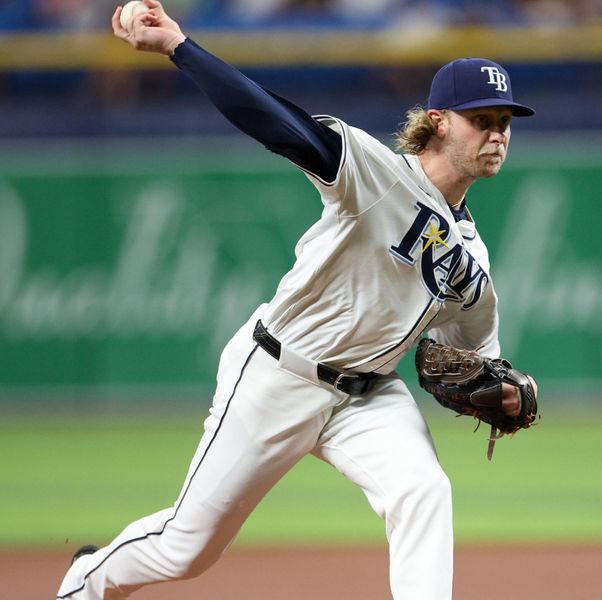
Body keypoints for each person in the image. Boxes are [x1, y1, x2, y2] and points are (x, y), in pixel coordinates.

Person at [56, 1, 537, 598]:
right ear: (439, 121)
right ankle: (87, 580)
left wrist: (506, 390)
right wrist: (180, 46)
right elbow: (268, 117)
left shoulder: (474, 261)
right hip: (279, 372)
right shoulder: (375, 171)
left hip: (368, 396)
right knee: (188, 547)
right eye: (481, 119)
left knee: (423, 491)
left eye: (505, 122)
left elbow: (473, 362)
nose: (497, 133)